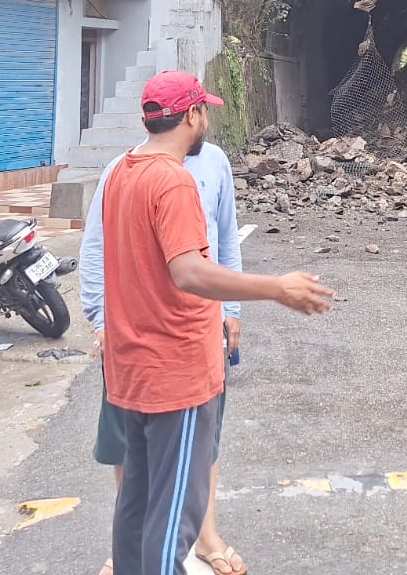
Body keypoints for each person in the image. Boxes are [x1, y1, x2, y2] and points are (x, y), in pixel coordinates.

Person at [99, 71, 334, 575]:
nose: (207, 118)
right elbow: (188, 272)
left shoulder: (122, 171)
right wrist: (277, 288)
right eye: (204, 109)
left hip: (132, 369)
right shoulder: (174, 180)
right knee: (175, 515)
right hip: (176, 375)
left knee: (137, 505)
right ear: (191, 115)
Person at [81, 133, 244, 575]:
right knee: (133, 456)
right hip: (147, 344)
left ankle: (205, 536)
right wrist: (100, 318)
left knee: (199, 446)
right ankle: (131, 552)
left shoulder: (213, 164)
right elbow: (98, 246)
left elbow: (225, 236)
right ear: (190, 115)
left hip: (197, 336)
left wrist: (231, 310)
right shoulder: (127, 170)